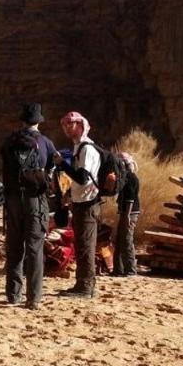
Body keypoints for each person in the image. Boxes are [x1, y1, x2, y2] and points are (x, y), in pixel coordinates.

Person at [1, 103, 58, 308]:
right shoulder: (45, 142)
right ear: (38, 122)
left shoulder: (9, 142)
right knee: (34, 248)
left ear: (22, 121)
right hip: (35, 199)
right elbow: (54, 165)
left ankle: (12, 294)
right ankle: (33, 298)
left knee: (14, 246)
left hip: (13, 199)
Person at [55, 111, 101, 298]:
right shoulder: (78, 148)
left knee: (86, 246)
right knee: (81, 244)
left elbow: (83, 178)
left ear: (81, 125)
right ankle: (82, 284)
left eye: (71, 124)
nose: (67, 127)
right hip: (81, 202)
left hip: (88, 203)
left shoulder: (87, 149)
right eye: (65, 124)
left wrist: (62, 164)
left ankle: (86, 287)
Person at [112, 151, 141, 276]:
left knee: (127, 240)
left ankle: (130, 269)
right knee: (120, 240)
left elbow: (130, 197)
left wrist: (127, 215)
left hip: (130, 212)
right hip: (126, 212)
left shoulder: (130, 178)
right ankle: (118, 269)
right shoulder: (125, 177)